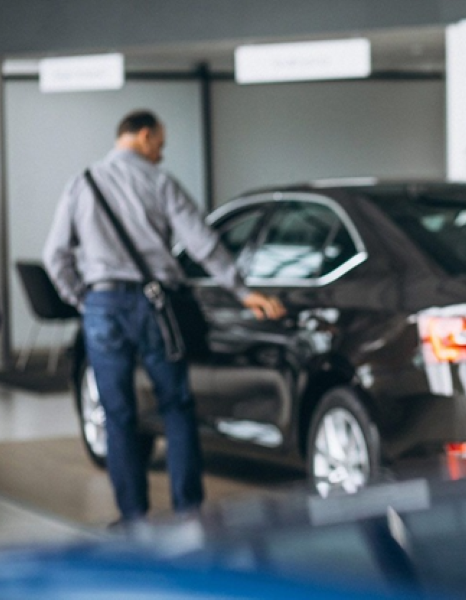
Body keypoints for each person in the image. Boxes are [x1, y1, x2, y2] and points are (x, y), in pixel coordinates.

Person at [43, 109, 286, 526]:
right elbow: (201, 243)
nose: (161, 152)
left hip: (102, 308)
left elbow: (55, 255)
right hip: (155, 306)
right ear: (141, 136)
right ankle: (188, 512)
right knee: (176, 406)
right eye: (159, 143)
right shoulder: (159, 182)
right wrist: (243, 291)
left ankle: (134, 518)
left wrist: (83, 299)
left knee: (117, 413)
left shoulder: (80, 184)